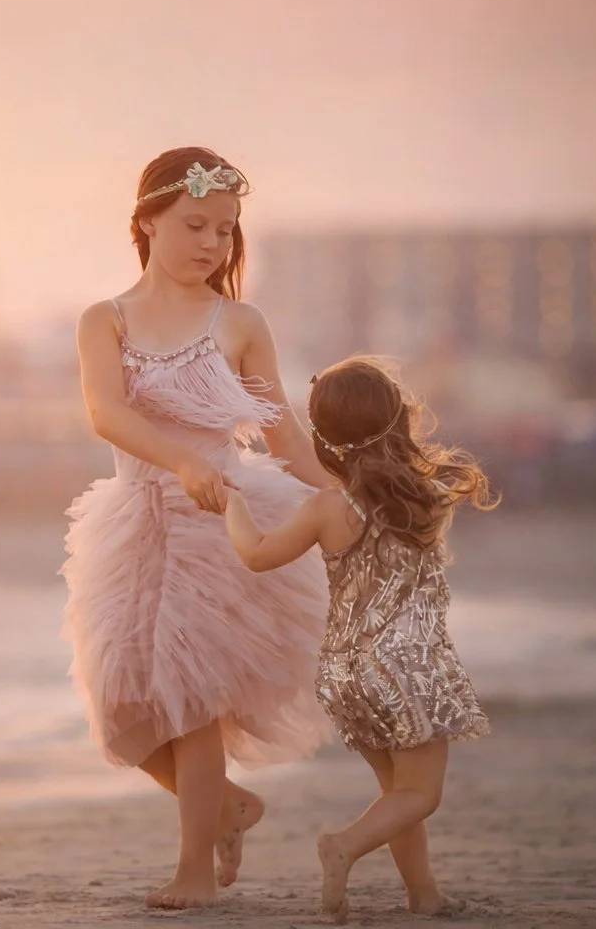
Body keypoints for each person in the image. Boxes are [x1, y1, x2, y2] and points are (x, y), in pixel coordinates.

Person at [62, 146, 334, 909]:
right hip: (135, 519)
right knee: (121, 709)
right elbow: (105, 413)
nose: (212, 244)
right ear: (147, 221)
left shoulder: (238, 321)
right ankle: (227, 806)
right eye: (195, 225)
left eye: (225, 231)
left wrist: (346, 492)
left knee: (192, 698)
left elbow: (283, 435)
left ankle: (192, 873)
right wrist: (180, 460)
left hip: (222, 525)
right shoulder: (105, 320)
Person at [222, 356, 496, 923]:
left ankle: (424, 895)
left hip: (346, 673)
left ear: (324, 437)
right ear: (399, 421)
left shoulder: (327, 507)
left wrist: (233, 506)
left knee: (396, 794)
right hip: (409, 669)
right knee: (420, 795)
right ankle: (342, 845)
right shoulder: (422, 495)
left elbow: (256, 555)